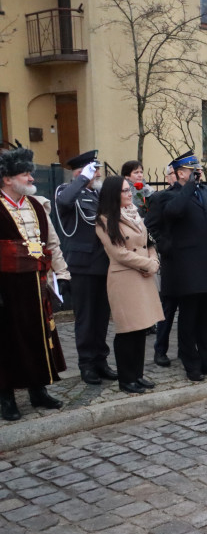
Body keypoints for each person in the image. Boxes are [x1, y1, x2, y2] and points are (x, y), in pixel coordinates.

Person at [146, 151, 207, 382]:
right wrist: (166, 247)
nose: (198, 173)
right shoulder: (166, 196)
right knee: (189, 320)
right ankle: (191, 364)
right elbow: (172, 213)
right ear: (180, 173)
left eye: (198, 170)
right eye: (192, 170)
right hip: (186, 269)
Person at [0, 147, 68, 421]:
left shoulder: (37, 205)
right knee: (7, 342)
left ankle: (38, 389)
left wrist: (62, 274)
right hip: (6, 287)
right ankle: (6, 396)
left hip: (36, 284)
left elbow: (52, 243)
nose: (30, 177)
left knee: (38, 337)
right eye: (24, 173)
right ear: (7, 179)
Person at [94, 175, 163, 394]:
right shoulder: (104, 220)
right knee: (127, 330)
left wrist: (153, 261)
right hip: (124, 278)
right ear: (113, 194)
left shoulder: (135, 213)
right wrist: (148, 265)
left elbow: (149, 242)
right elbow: (119, 253)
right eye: (124, 191)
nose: (129, 193)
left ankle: (138, 375)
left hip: (142, 276)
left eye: (129, 190)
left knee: (141, 328)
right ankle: (126, 379)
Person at [54, 150, 117, 386]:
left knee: (101, 318)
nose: (98, 173)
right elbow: (63, 202)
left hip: (103, 263)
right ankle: (86, 364)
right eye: (94, 169)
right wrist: (81, 179)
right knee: (86, 318)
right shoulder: (67, 190)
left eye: (97, 169)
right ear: (81, 171)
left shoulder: (97, 194)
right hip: (82, 265)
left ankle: (101, 361)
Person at [148, 164, 178, 367]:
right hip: (172, 260)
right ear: (168, 177)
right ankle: (160, 350)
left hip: (191, 260)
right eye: (176, 174)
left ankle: (187, 348)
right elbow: (149, 226)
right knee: (168, 309)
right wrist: (163, 245)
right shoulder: (160, 198)